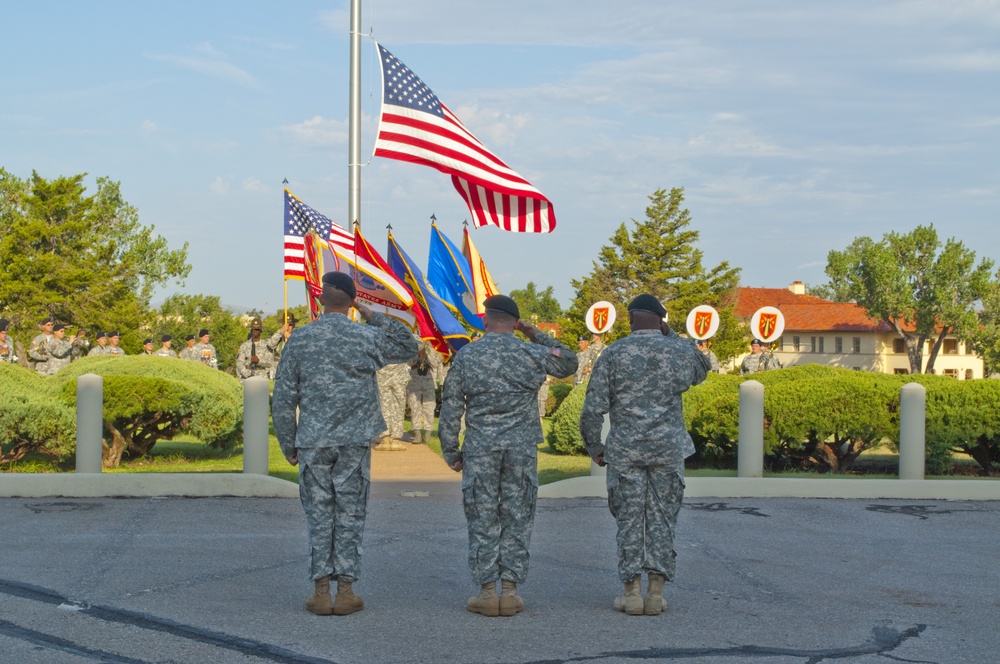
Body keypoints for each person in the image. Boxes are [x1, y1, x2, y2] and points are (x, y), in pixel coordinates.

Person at [272, 271, 419, 616]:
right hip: (353, 441)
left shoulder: (302, 339)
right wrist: (374, 315)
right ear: (353, 300)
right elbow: (408, 346)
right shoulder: (366, 336)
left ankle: (321, 592)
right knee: (350, 514)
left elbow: (283, 398)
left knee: (319, 515)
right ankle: (347, 591)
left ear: (322, 299)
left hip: (312, 441)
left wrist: (287, 444)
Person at [439, 294, 578, 617]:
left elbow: (450, 408)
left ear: (486, 320)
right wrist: (535, 334)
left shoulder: (468, 355)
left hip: (480, 448)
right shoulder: (533, 352)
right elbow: (569, 360)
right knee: (517, 515)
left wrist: (451, 451)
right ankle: (510, 591)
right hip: (520, 448)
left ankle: (487, 592)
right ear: (515, 323)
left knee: (483, 517)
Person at [580, 294, 711, 616]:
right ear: (661, 320)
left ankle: (631, 593)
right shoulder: (678, 351)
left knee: (629, 521)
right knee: (662, 520)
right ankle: (656, 594)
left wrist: (595, 447)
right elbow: (702, 368)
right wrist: (673, 335)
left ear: (630, 318)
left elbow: (592, 408)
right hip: (668, 449)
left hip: (626, 450)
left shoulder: (613, 353)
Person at [405, 343, 441, 444]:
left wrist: (427, 356)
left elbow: (436, 364)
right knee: (415, 408)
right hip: (414, 383)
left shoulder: (434, 348)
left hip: (428, 383)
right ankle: (417, 434)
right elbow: (408, 363)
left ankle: (428, 433)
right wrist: (418, 354)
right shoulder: (413, 348)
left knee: (429, 409)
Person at [373, 361, 411, 451]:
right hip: (399, 373)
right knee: (398, 406)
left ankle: (385, 439)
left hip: (382, 372)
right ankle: (395, 441)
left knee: (384, 406)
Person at [236, 316, 289, 381]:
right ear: (251, 330)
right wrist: (247, 374)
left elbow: (270, 363)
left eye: (257, 329)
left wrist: (259, 362)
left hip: (262, 377)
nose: (255, 331)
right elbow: (239, 363)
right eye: (253, 329)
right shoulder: (244, 346)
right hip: (247, 378)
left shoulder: (266, 345)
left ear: (261, 331)